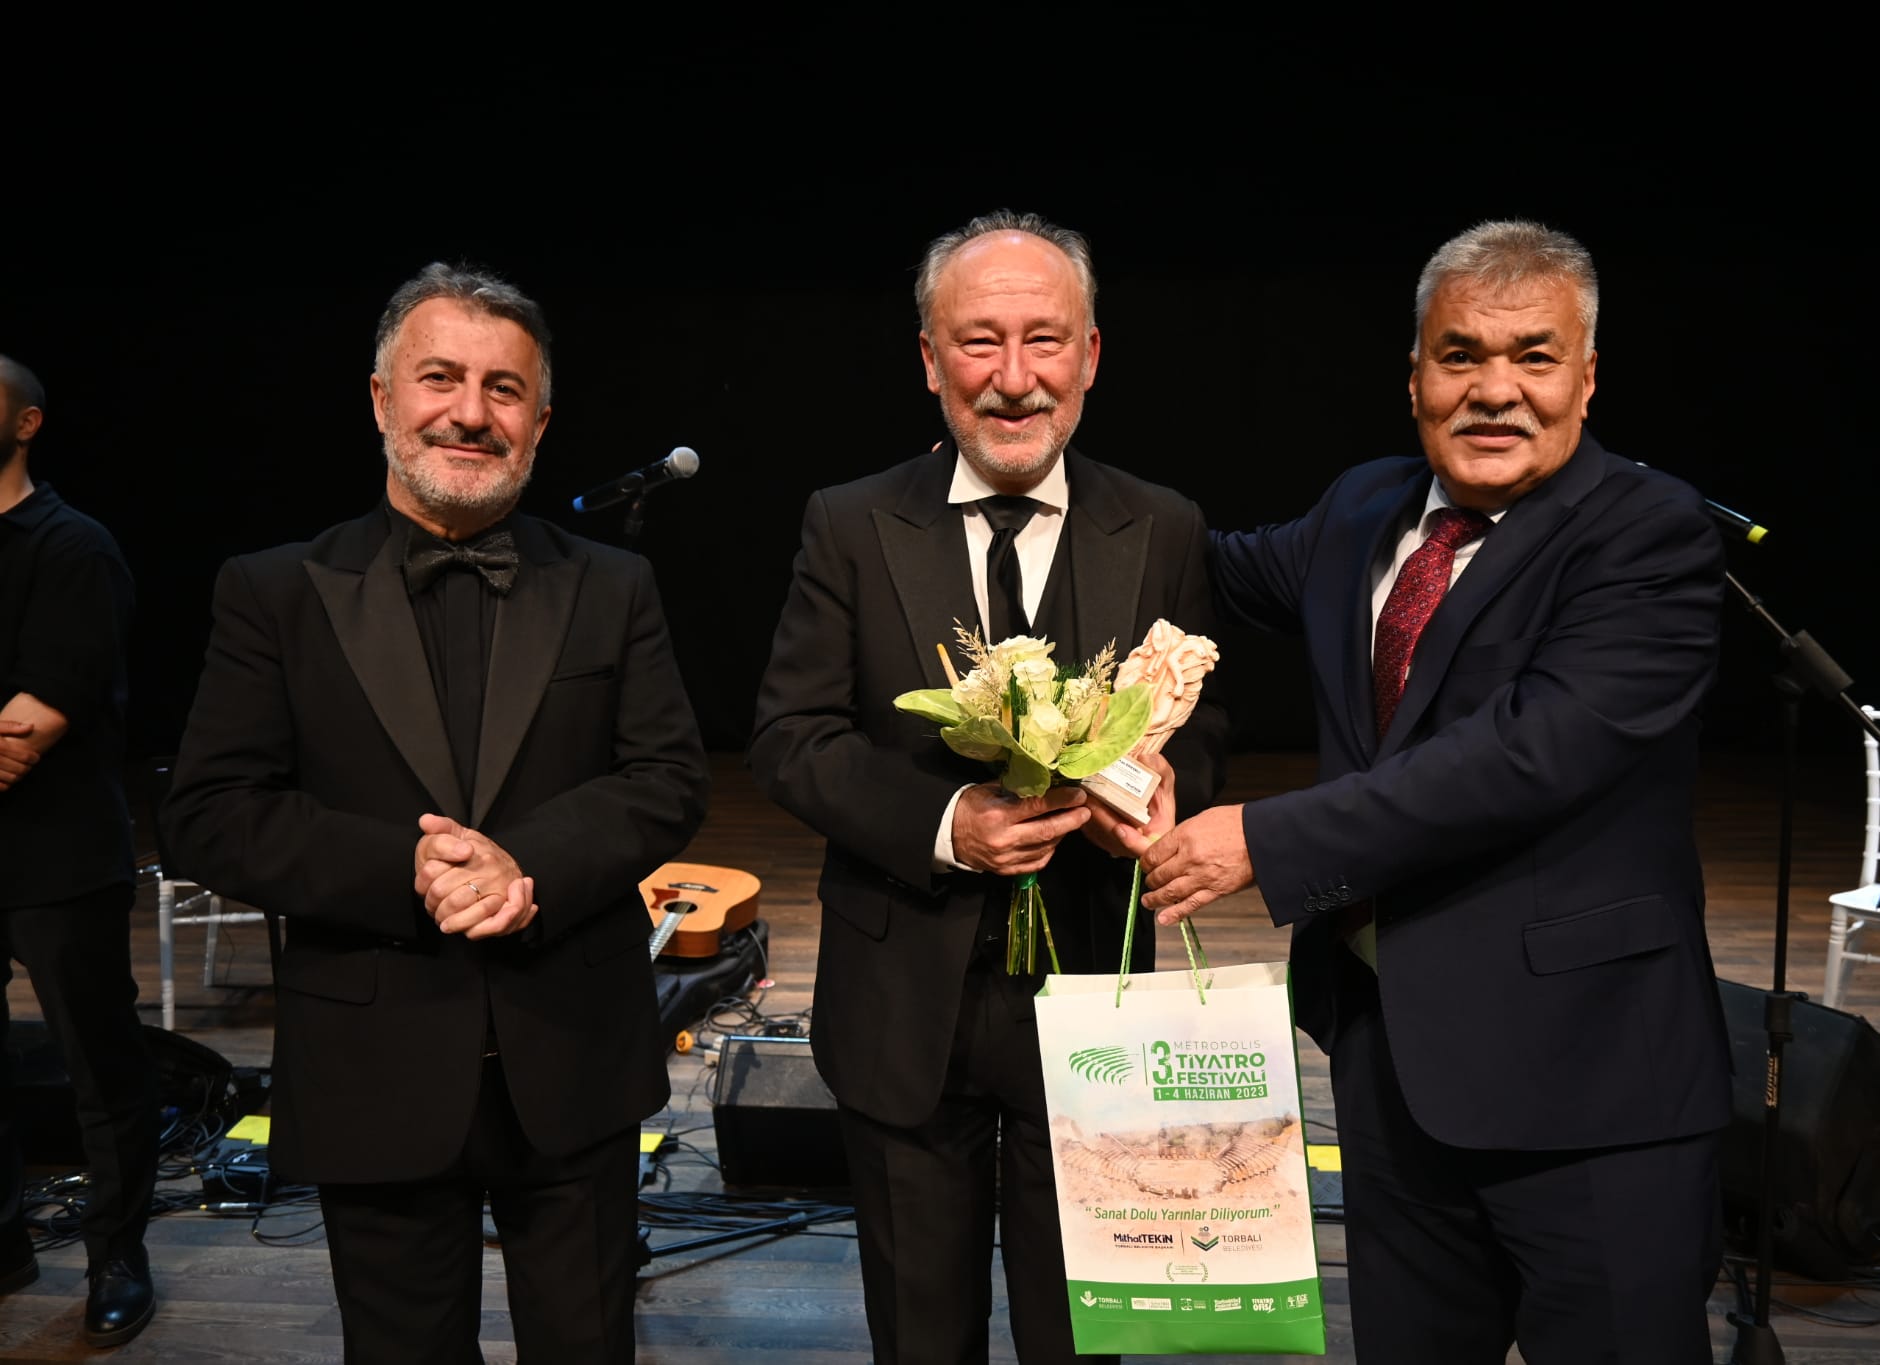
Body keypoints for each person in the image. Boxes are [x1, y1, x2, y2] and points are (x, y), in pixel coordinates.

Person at [1139, 221, 1731, 1364]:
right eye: (1459, 355)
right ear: (1413, 376)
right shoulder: (1363, 507)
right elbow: (1204, 564)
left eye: (1532, 357)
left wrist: (1264, 838)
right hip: (1389, 1067)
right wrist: (1051, 485)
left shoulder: (1648, 534)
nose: (1493, 391)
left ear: (1586, 377)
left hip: (1590, 1087)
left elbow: (1524, 757)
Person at [159, 264, 710, 1365]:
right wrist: (410, 873)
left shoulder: (614, 585)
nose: (470, 411)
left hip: (576, 1053)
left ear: (539, 420)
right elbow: (211, 814)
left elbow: (666, 779)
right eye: (440, 378)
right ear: (381, 399)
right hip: (374, 1061)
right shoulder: (273, 589)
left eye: (504, 389)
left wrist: (524, 867)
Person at [749, 210, 1226, 1364]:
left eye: (1043, 340)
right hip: (901, 1005)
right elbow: (789, 737)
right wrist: (946, 823)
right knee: (922, 1337)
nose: (1014, 378)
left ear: (1089, 355)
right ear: (929, 359)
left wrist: (1158, 787)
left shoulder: (1162, 525)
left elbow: (1205, 729)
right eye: (979, 342)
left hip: (1096, 1003)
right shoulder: (847, 522)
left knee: (1083, 1340)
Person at [0, 354, 159, 1346]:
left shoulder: (73, 547)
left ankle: (116, 1256)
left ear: (27, 423)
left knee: (99, 1066)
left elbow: (28, 728)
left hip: (58, 855)